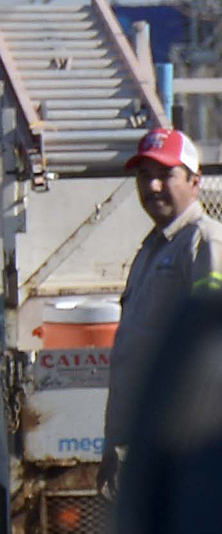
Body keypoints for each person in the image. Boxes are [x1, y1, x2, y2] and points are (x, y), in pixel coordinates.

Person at [102, 127, 222, 492]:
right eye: (144, 175)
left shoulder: (205, 242)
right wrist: (113, 446)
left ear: (195, 181)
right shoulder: (153, 249)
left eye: (165, 175)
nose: (152, 186)